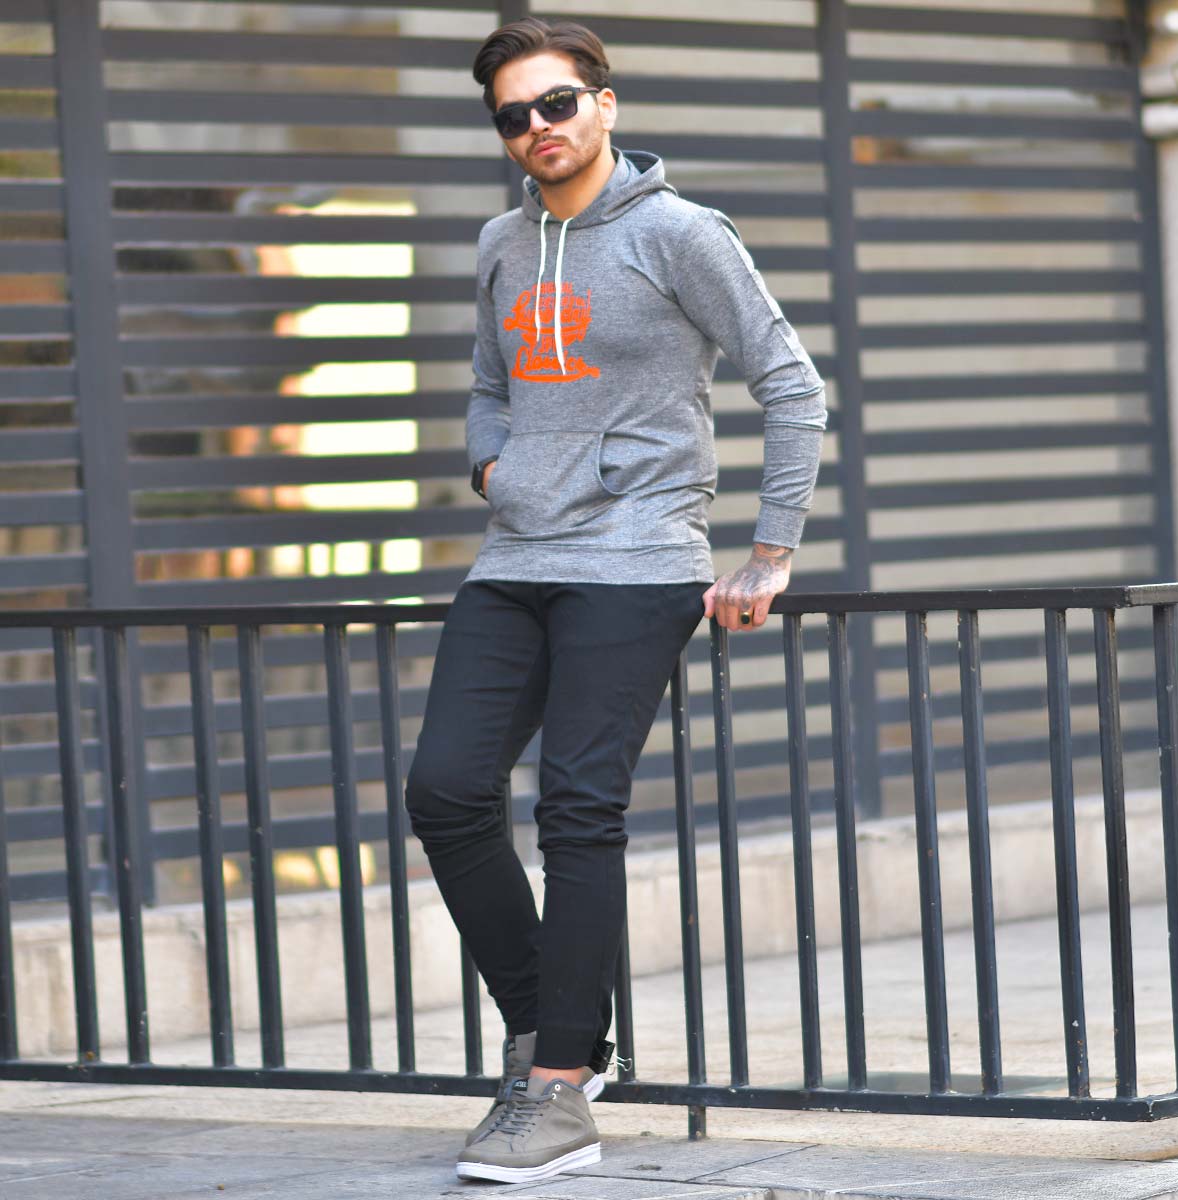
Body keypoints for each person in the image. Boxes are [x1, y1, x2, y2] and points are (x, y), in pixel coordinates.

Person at [403, 15, 827, 1186]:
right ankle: (564, 1033)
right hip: (515, 557)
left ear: (604, 104)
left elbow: (791, 385)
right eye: (513, 115)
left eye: (556, 103)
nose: (536, 127)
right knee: (444, 791)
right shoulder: (500, 242)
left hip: (638, 559)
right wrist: (492, 467)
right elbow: (487, 385)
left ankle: (554, 1093)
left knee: (576, 810)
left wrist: (770, 554)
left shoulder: (681, 234)